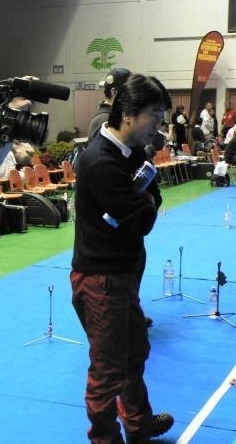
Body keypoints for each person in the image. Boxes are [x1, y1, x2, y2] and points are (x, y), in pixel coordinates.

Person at [70, 73, 174, 444]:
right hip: (100, 279)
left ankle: (138, 424)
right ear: (127, 113)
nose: (158, 127)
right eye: (154, 116)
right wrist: (141, 204)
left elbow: (152, 202)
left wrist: (140, 201)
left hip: (122, 274)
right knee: (107, 372)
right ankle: (105, 439)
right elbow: (144, 219)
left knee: (135, 352)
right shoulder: (101, 161)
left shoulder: (133, 154)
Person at [87, 67, 154, 328]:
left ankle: (130, 308)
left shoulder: (120, 120)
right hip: (109, 214)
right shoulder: (102, 122)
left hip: (126, 202)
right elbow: (105, 168)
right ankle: (122, 312)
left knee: (137, 258)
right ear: (115, 93)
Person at [88, 67, 132, 142]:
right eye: (128, 91)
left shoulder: (114, 115)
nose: (131, 95)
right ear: (114, 92)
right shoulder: (104, 119)